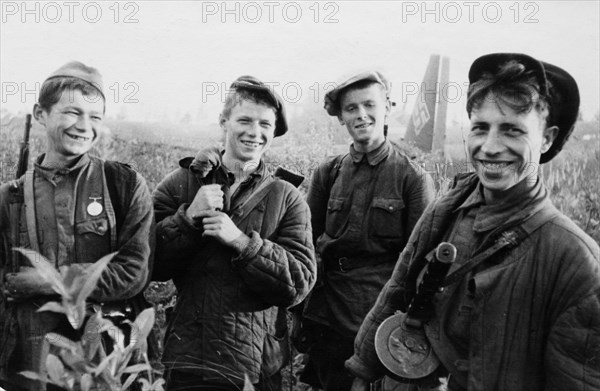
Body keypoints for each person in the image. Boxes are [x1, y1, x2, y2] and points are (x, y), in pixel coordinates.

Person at [346, 53, 600, 391]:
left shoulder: (575, 261)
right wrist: (364, 371)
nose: (490, 147)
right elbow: (396, 289)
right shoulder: (448, 206)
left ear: (548, 138)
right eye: (480, 127)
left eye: (512, 130)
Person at [152, 75, 317, 390]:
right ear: (223, 122)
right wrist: (188, 218)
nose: (255, 132)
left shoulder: (287, 196)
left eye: (265, 125)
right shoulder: (181, 183)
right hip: (189, 361)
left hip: (253, 368)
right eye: (244, 120)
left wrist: (242, 243)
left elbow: (298, 283)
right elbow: (147, 261)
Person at [0, 61, 154, 391]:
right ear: (41, 114)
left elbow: (133, 273)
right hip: (30, 368)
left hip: (105, 366)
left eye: (95, 117)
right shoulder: (9, 199)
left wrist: (49, 280)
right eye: (73, 112)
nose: (85, 126)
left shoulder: (123, 185)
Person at [300, 71, 435, 390]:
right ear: (341, 117)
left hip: (378, 317)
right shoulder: (327, 172)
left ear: (387, 107)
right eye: (351, 109)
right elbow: (304, 243)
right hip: (328, 315)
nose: (361, 115)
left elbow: (420, 264)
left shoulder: (412, 178)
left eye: (369, 105)